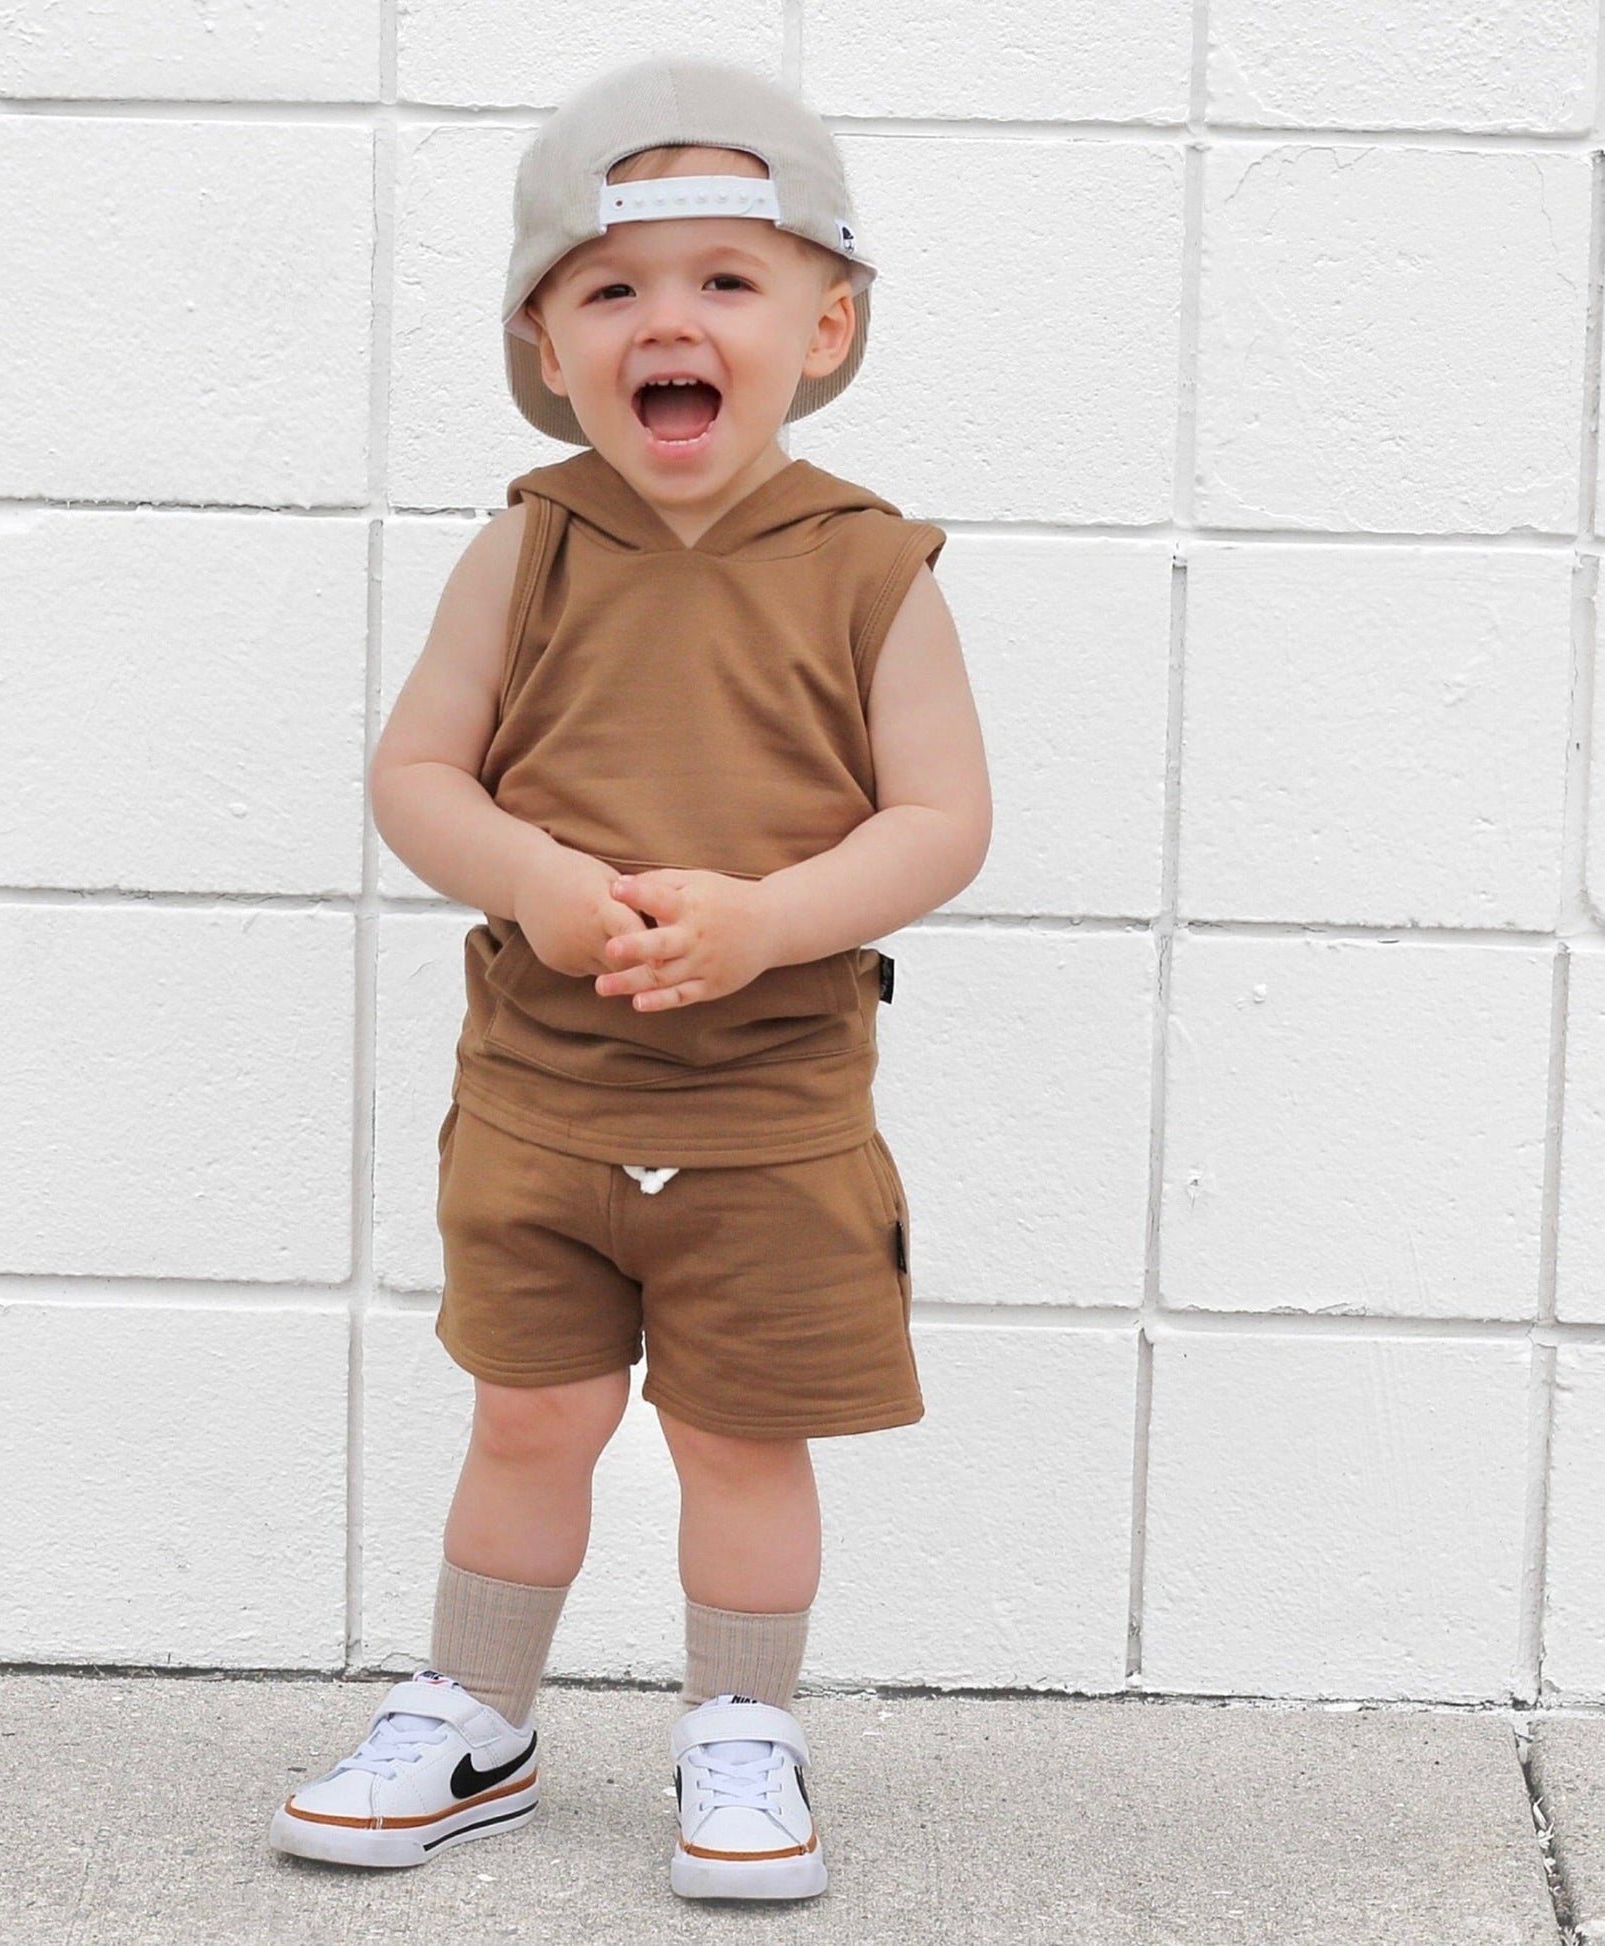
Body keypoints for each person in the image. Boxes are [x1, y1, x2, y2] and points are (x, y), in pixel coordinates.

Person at [270, 53, 990, 1903]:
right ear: (546, 338)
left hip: (769, 1114)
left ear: (821, 328)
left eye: (725, 280)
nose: (667, 321)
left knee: (739, 1439)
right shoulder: (528, 545)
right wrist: (531, 876)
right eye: (611, 289)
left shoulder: (867, 566)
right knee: (528, 1414)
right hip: (543, 1097)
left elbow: (941, 820)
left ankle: (740, 1729)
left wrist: (771, 917)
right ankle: (475, 1716)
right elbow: (416, 772)